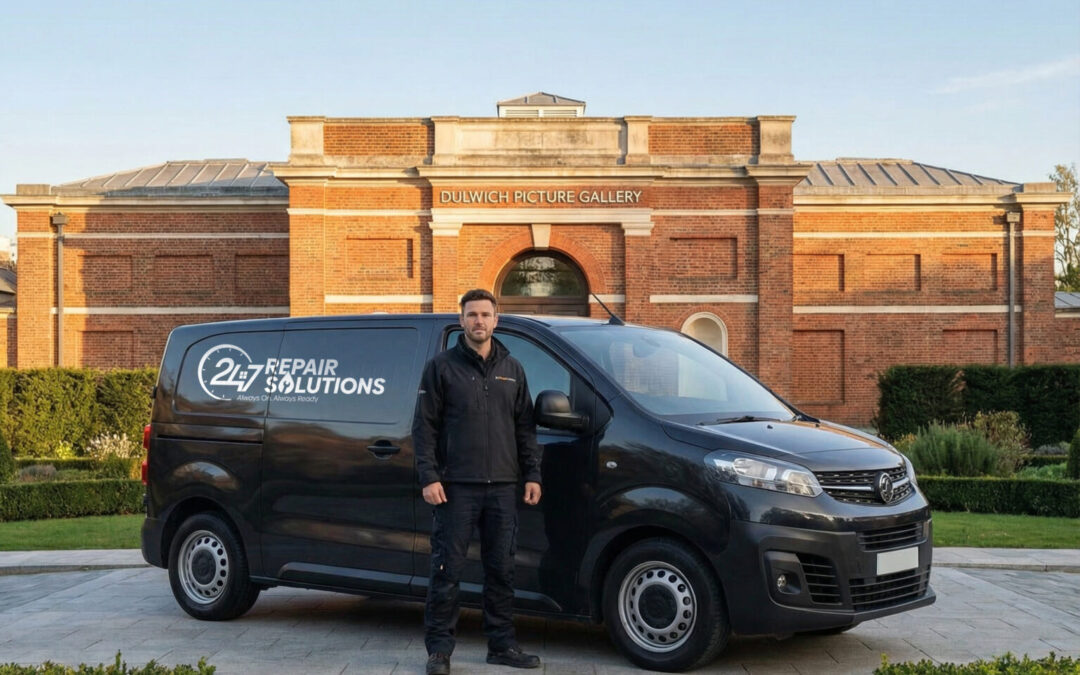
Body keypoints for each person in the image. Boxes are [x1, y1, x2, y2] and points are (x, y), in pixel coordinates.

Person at [413, 288, 543, 675]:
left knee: (501, 570)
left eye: (486, 315)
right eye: (472, 315)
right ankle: (439, 651)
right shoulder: (442, 367)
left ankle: (501, 646)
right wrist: (429, 476)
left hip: (503, 488)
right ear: (462, 320)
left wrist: (532, 474)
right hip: (456, 489)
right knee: (446, 570)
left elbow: (525, 428)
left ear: (496, 320)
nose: (479, 321)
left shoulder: (513, 369)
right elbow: (424, 428)